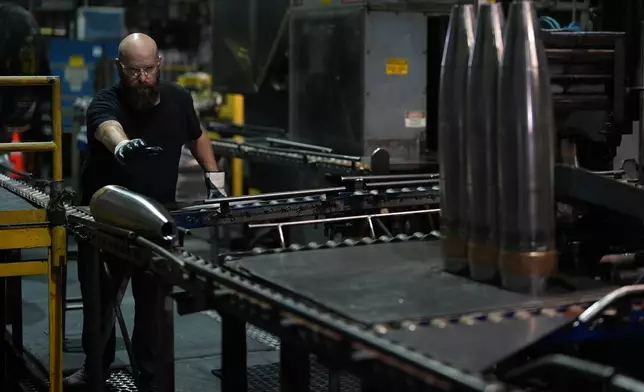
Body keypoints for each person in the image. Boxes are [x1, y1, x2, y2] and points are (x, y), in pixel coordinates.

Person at [64, 33, 226, 391]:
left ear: (159, 66)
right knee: (100, 302)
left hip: (156, 220)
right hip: (105, 222)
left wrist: (216, 180)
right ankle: (96, 368)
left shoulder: (178, 99)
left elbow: (196, 135)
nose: (142, 78)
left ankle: (149, 379)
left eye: (149, 70)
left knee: (152, 308)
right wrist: (122, 146)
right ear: (120, 68)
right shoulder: (104, 102)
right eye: (134, 71)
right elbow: (107, 126)